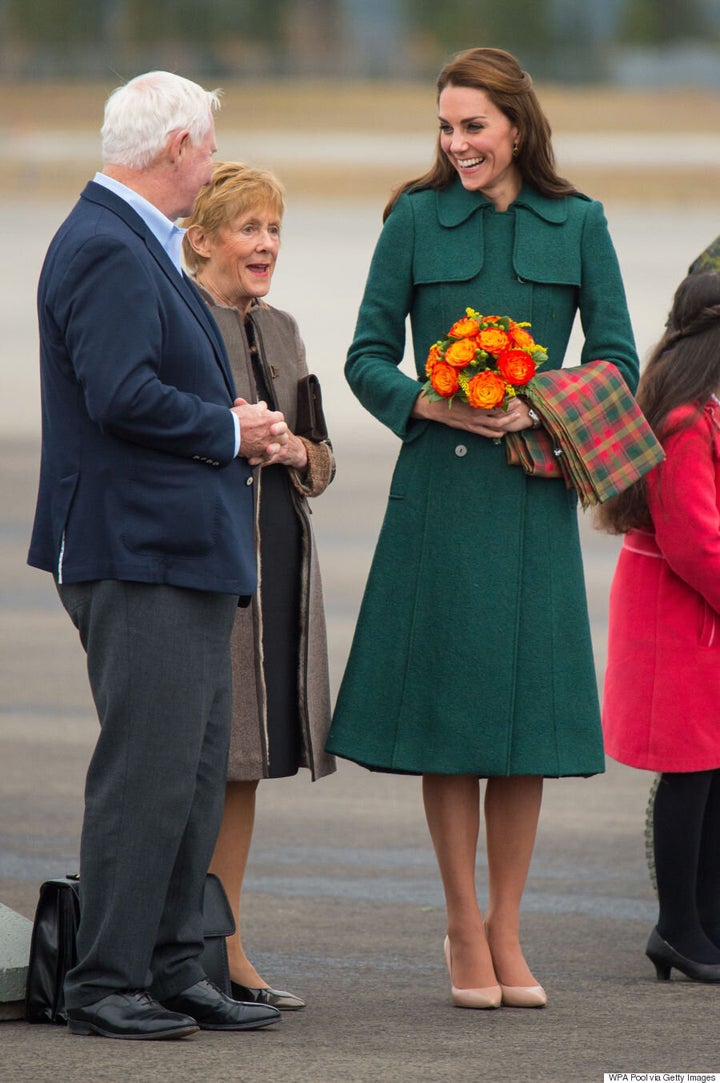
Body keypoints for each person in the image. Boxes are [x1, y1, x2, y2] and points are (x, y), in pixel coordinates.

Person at [325, 46, 639, 1010]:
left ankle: (509, 924)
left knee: (524, 729)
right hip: (442, 499)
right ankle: (462, 924)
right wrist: (434, 403)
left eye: (475, 125)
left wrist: (540, 401)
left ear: (517, 125)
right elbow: (365, 356)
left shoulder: (580, 221)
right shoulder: (413, 220)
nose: (458, 143)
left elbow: (619, 360)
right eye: (446, 126)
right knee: (455, 726)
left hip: (533, 495)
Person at [27, 71, 288, 1040]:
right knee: (147, 772)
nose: (214, 162)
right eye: (210, 146)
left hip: (181, 550)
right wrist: (228, 429)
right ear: (177, 146)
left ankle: (178, 966)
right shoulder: (105, 244)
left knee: (190, 770)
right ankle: (106, 980)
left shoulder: (133, 241)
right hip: (137, 550)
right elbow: (120, 394)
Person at [181, 161, 336, 1010]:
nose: (266, 243)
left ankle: (225, 943)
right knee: (203, 758)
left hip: (279, 560)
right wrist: (233, 441)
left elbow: (323, 458)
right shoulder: (178, 317)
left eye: (273, 228)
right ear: (200, 238)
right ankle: (186, 947)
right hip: (210, 562)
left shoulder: (281, 329)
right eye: (248, 228)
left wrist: (292, 452)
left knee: (245, 763)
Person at [599, 271, 720, 984]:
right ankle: (677, 925)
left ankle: (703, 917)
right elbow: (695, 542)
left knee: (710, 772)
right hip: (677, 622)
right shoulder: (683, 421)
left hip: (696, 619)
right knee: (689, 774)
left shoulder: (696, 409)